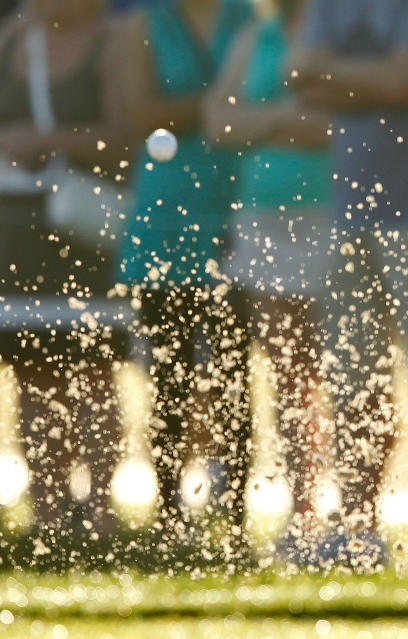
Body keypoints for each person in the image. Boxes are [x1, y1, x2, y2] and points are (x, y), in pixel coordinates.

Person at [287, 0, 408, 570]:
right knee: (352, 382)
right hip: (351, 214)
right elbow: (299, 76)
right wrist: (384, 81)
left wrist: (342, 79)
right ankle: (357, 528)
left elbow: (406, 79)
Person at [114, 0, 253, 565]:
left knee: (234, 379)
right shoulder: (142, 25)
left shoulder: (248, 18)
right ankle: (170, 516)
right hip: (164, 220)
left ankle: (237, 517)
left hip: (235, 212)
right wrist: (223, 109)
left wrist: (216, 113)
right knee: (169, 379)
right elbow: (136, 114)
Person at [203, 0, 334, 565]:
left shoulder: (340, 30)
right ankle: (302, 509)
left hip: (332, 215)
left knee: (341, 367)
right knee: (287, 369)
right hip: (262, 218)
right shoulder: (259, 34)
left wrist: (266, 123)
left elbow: (343, 124)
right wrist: (286, 121)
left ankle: (347, 512)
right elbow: (218, 121)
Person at [0, 0, 129, 567]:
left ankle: (99, 507)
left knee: (94, 370)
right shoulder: (10, 43)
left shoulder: (117, 44)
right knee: (34, 373)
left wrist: (53, 141)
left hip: (87, 226)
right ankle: (47, 509)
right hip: (17, 229)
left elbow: (130, 135)